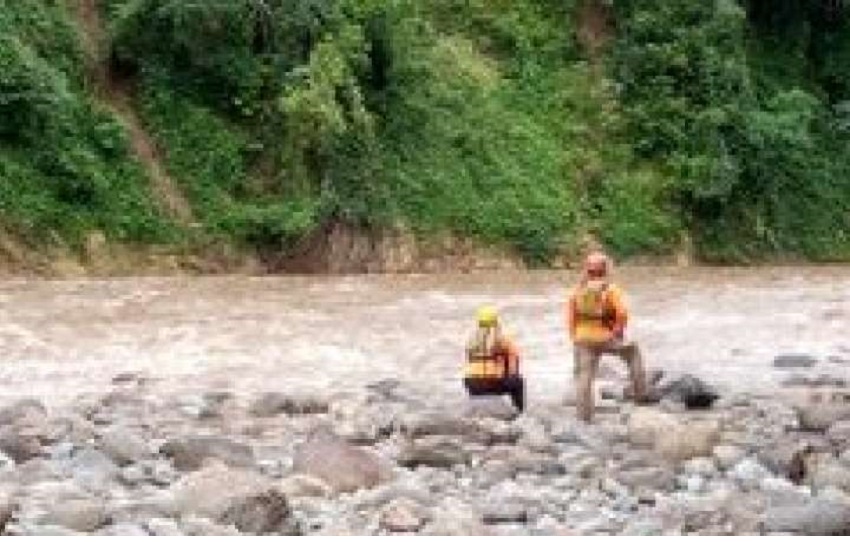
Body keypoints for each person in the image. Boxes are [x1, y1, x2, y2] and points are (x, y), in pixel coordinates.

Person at [566, 250, 648, 422]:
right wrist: (616, 332)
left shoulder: (577, 290)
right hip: (605, 337)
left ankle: (583, 417)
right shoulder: (611, 290)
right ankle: (641, 397)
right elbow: (623, 314)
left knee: (584, 376)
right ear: (606, 270)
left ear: (586, 270)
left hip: (582, 338)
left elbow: (570, 317)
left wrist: (574, 337)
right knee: (633, 352)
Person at [463, 306, 525, 411]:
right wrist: (510, 376)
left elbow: (469, 362)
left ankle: (476, 409)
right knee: (518, 382)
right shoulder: (501, 340)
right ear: (496, 322)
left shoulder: (471, 341)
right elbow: (514, 362)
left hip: (471, 384)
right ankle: (519, 411)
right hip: (492, 383)